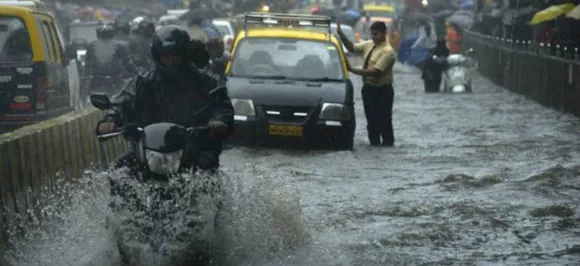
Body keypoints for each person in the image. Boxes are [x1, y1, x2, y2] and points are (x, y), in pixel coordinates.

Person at [95, 25, 234, 173]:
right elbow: (123, 100)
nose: (170, 60)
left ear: (184, 54)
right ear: (157, 56)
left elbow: (221, 106)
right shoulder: (144, 82)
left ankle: (213, 196)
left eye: (174, 55)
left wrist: (218, 121)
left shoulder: (205, 82)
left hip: (193, 148)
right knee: (117, 172)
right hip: (150, 149)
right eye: (165, 56)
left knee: (207, 171)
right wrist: (111, 119)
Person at [336, 20, 396, 147]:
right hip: (369, 90)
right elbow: (352, 47)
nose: (374, 37)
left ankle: (387, 146)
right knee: (371, 122)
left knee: (385, 122)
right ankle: (374, 146)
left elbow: (375, 72)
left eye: (376, 34)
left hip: (383, 91)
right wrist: (341, 35)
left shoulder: (388, 52)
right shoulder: (369, 44)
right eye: (372, 34)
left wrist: (352, 70)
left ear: (384, 33)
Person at [85, 20, 136, 97]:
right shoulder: (121, 45)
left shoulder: (91, 45)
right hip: (112, 81)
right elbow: (128, 64)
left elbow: (87, 65)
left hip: (100, 81)